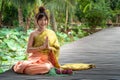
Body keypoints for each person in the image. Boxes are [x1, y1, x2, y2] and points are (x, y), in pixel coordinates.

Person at [13, 6, 61, 75]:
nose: (43, 22)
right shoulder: (33, 34)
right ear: (36, 21)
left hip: (45, 60)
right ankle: (23, 67)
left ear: (47, 21)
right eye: (41, 20)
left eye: (45, 20)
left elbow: (57, 48)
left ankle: (27, 69)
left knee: (46, 67)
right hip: (34, 59)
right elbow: (28, 50)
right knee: (23, 67)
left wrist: (48, 47)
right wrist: (42, 47)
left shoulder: (51, 33)